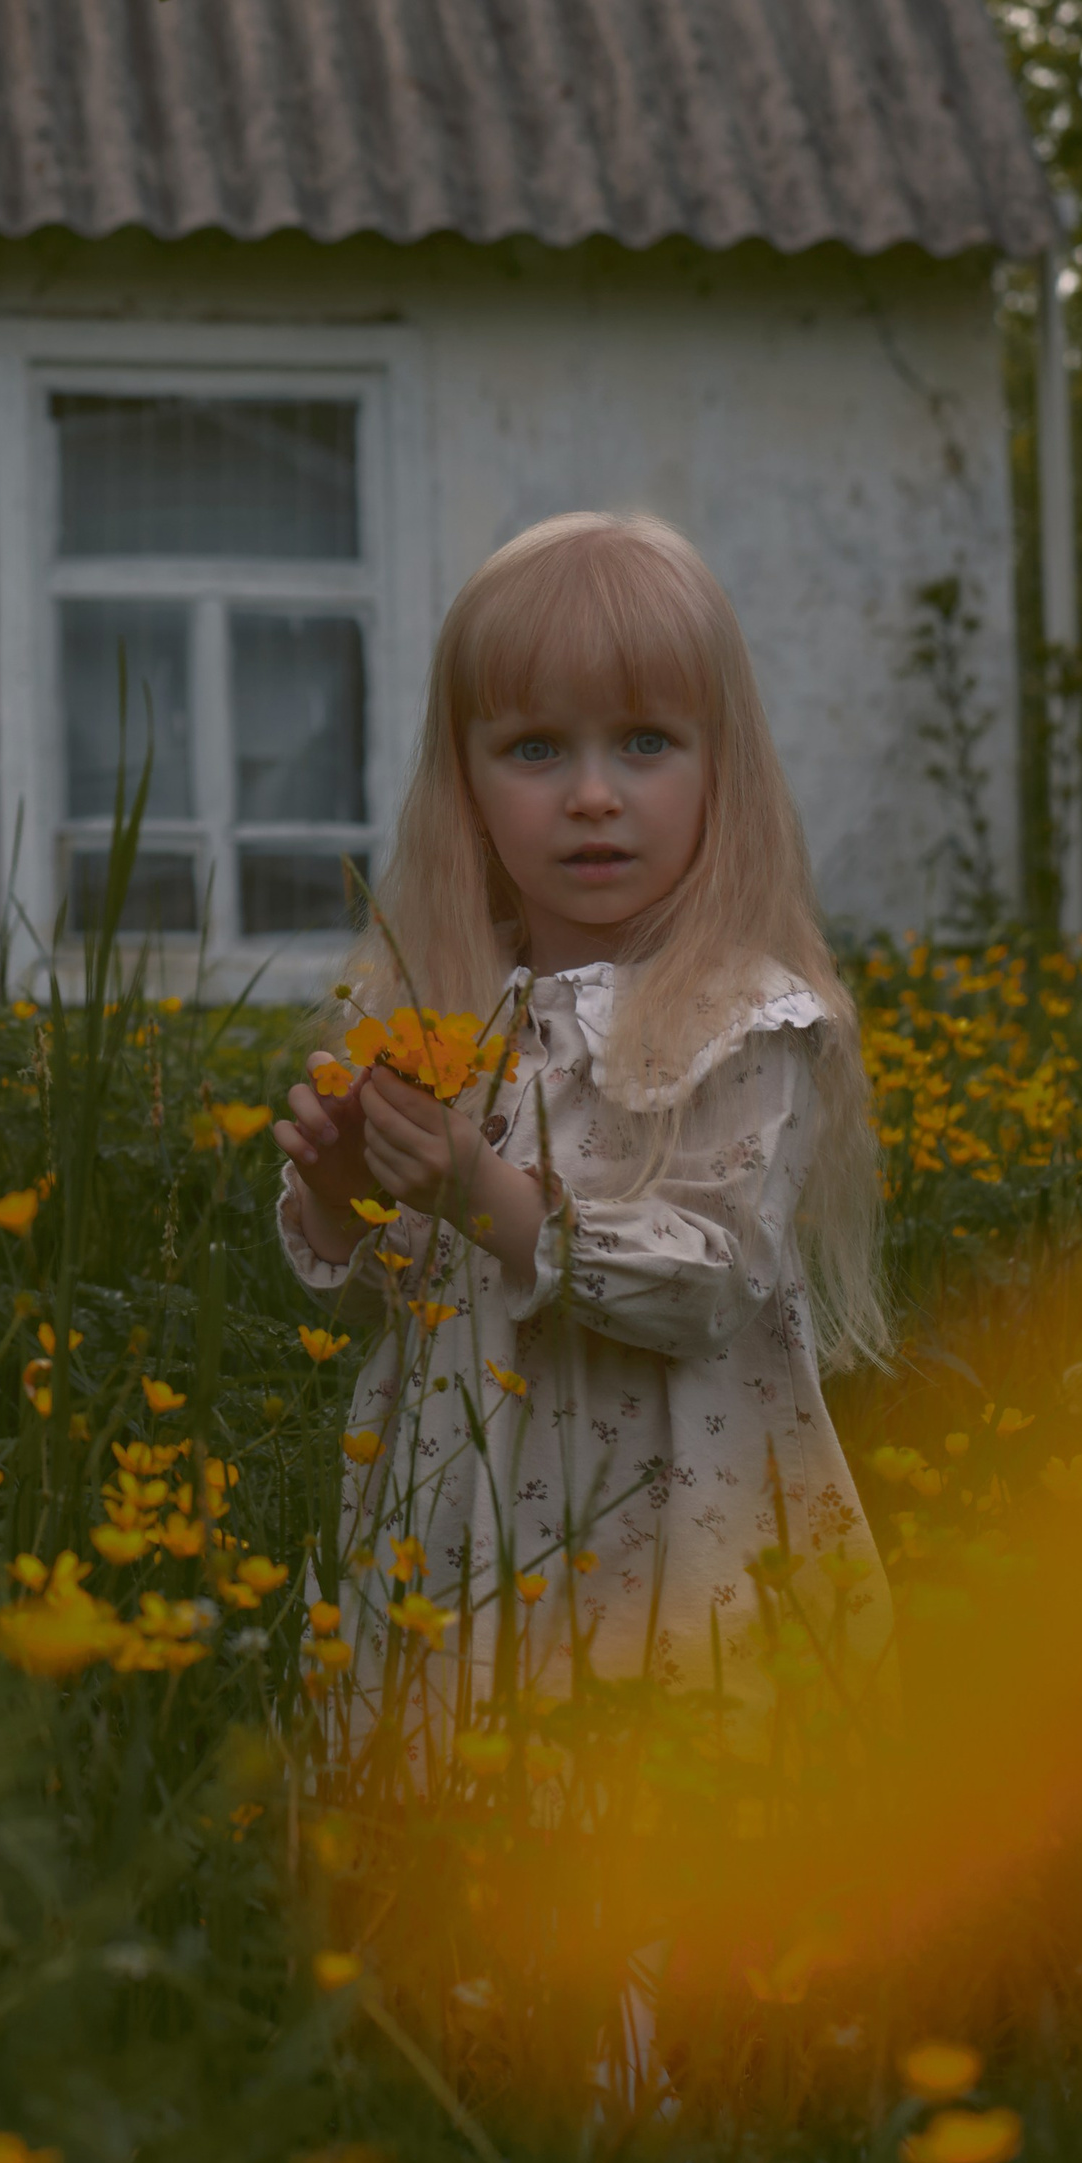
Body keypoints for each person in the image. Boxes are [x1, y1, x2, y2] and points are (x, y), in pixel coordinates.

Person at [274, 512, 891, 1761]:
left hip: (669, 1530)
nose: (593, 794)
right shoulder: (435, 1010)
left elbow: (707, 1276)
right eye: (536, 746)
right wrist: (346, 1197)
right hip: (464, 1518)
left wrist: (480, 1188)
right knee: (460, 1800)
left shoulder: (745, 1018)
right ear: (467, 780)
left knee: (651, 1798)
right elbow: (399, 1304)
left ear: (724, 769)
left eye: (646, 741)